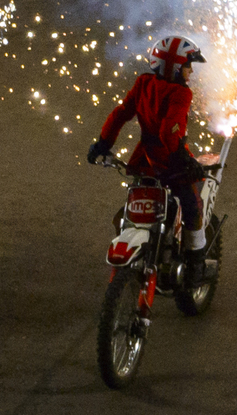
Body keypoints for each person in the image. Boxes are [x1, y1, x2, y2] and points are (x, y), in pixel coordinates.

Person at [89, 36, 214, 277]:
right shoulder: (181, 93)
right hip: (170, 161)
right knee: (192, 205)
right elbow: (169, 131)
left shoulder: (143, 82)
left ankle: (131, 247)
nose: (190, 71)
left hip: (144, 161)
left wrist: (103, 143)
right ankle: (197, 264)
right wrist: (184, 161)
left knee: (133, 206)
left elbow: (121, 113)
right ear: (176, 67)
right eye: (188, 65)